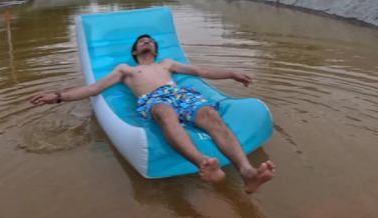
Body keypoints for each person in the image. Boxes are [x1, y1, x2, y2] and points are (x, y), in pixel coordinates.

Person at [30, 34, 275, 193]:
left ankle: (248, 172)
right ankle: (204, 164)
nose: (146, 42)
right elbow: (94, 88)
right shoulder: (125, 69)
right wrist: (59, 95)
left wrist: (231, 73)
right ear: (135, 51)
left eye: (150, 41)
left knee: (211, 116)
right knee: (163, 111)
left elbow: (200, 70)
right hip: (154, 100)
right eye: (141, 41)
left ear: (155, 50)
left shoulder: (166, 64)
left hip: (182, 95)